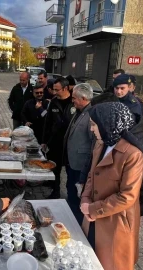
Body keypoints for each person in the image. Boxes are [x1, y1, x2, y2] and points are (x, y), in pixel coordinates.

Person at [81, 102, 143, 270]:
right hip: (92, 215)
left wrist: (93, 209)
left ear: (107, 123)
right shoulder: (101, 142)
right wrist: (85, 199)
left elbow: (127, 196)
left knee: (110, 263)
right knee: (89, 257)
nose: (92, 129)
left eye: (94, 125)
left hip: (115, 221)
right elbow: (92, 175)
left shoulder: (133, 155)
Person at [113, 74, 143, 216]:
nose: (118, 91)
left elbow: (129, 130)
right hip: (133, 142)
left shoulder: (133, 104)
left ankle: (141, 210)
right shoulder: (121, 101)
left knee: (139, 181)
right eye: (116, 88)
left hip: (136, 143)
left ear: (129, 87)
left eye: (122, 88)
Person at [63, 83, 93, 225]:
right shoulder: (79, 111)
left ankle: (77, 223)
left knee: (76, 195)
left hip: (81, 164)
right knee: (70, 190)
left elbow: (93, 144)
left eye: (74, 98)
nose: (72, 100)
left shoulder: (91, 115)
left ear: (83, 98)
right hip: (72, 161)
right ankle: (70, 215)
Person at [42, 77, 74, 199]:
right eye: (53, 89)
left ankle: (71, 195)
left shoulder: (74, 101)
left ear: (65, 88)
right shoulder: (54, 102)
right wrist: (44, 141)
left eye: (57, 90)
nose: (54, 92)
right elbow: (47, 122)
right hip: (55, 141)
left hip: (70, 143)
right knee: (55, 168)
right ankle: (55, 191)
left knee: (70, 170)